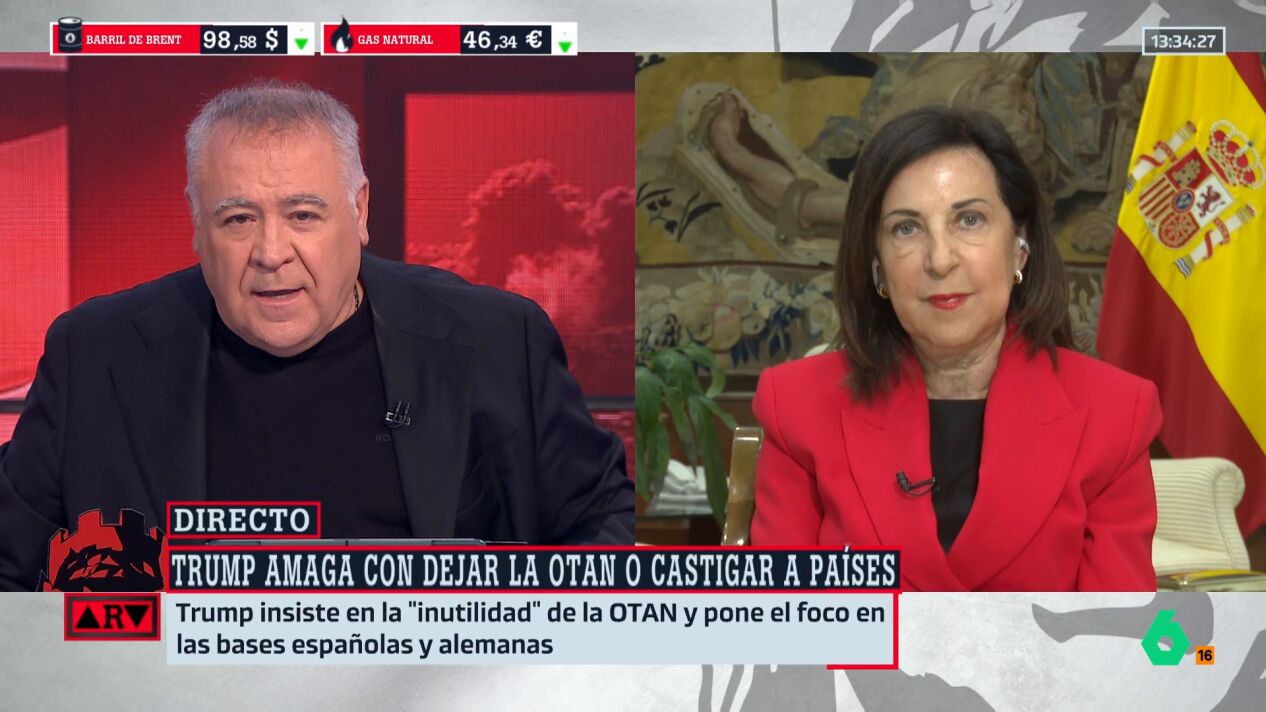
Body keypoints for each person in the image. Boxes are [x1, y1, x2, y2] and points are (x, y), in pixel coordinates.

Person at [0, 81, 633, 591]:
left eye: (303, 215)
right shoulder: (95, 356)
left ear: (359, 212)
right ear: (196, 225)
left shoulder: (497, 339)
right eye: (238, 219)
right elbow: (11, 567)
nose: (271, 252)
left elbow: (607, 526)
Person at [750, 106, 1161, 592]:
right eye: (906, 228)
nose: (940, 260)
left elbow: (1115, 631)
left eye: (969, 220)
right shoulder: (796, 407)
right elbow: (779, 620)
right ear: (878, 264)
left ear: (1019, 247)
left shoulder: (1116, 415)